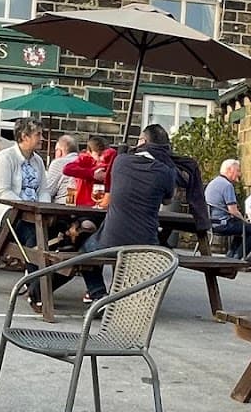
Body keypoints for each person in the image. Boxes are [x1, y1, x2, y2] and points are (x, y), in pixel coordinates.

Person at [72, 123, 181, 304]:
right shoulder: (166, 171)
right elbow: (168, 201)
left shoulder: (121, 161)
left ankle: (98, 293)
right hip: (147, 243)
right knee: (164, 248)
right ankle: (127, 297)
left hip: (112, 241)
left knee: (84, 248)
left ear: (142, 141)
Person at [0, 117, 48, 307]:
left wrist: (44, 208)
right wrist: (28, 209)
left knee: (50, 230)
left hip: (34, 212)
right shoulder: (5, 158)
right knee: (32, 232)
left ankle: (36, 280)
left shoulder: (38, 161)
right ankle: (36, 286)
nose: (42, 138)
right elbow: (3, 191)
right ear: (24, 136)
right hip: (6, 210)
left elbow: (44, 189)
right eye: (38, 134)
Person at [205, 158, 251, 263]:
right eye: (238, 170)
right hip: (222, 224)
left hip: (210, 223)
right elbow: (233, 211)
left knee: (242, 228)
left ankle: (230, 256)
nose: (239, 174)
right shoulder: (227, 186)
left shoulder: (213, 183)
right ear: (229, 170)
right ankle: (237, 259)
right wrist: (246, 221)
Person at [62, 135, 116, 206]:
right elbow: (67, 169)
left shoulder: (110, 159)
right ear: (89, 152)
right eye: (99, 155)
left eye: (105, 154)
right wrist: (92, 174)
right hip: (83, 204)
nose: (102, 158)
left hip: (103, 204)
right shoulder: (85, 159)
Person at [40, 133, 79, 205]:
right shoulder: (85, 162)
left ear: (59, 151)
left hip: (62, 207)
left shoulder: (58, 163)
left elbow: (48, 191)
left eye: (56, 150)